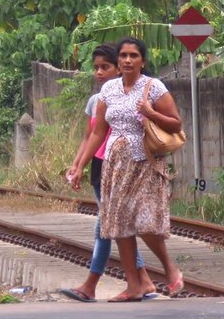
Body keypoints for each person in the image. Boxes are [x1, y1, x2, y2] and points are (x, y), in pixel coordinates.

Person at [77, 36, 185, 301]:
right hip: (115, 164)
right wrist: (79, 165)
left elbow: (176, 123)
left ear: (142, 61)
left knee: (145, 221)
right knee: (120, 224)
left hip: (144, 162)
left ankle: (170, 270)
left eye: (133, 56)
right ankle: (134, 285)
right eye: (123, 55)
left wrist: (150, 112)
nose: (127, 60)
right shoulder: (108, 90)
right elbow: (97, 132)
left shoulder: (154, 86)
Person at [60, 44, 157, 302]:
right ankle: (143, 280)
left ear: (118, 69)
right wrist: (77, 164)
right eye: (96, 68)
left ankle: (91, 285)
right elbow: (91, 136)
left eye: (106, 67)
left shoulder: (128, 98)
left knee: (108, 226)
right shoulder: (96, 101)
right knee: (112, 225)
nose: (100, 73)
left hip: (119, 167)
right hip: (99, 166)